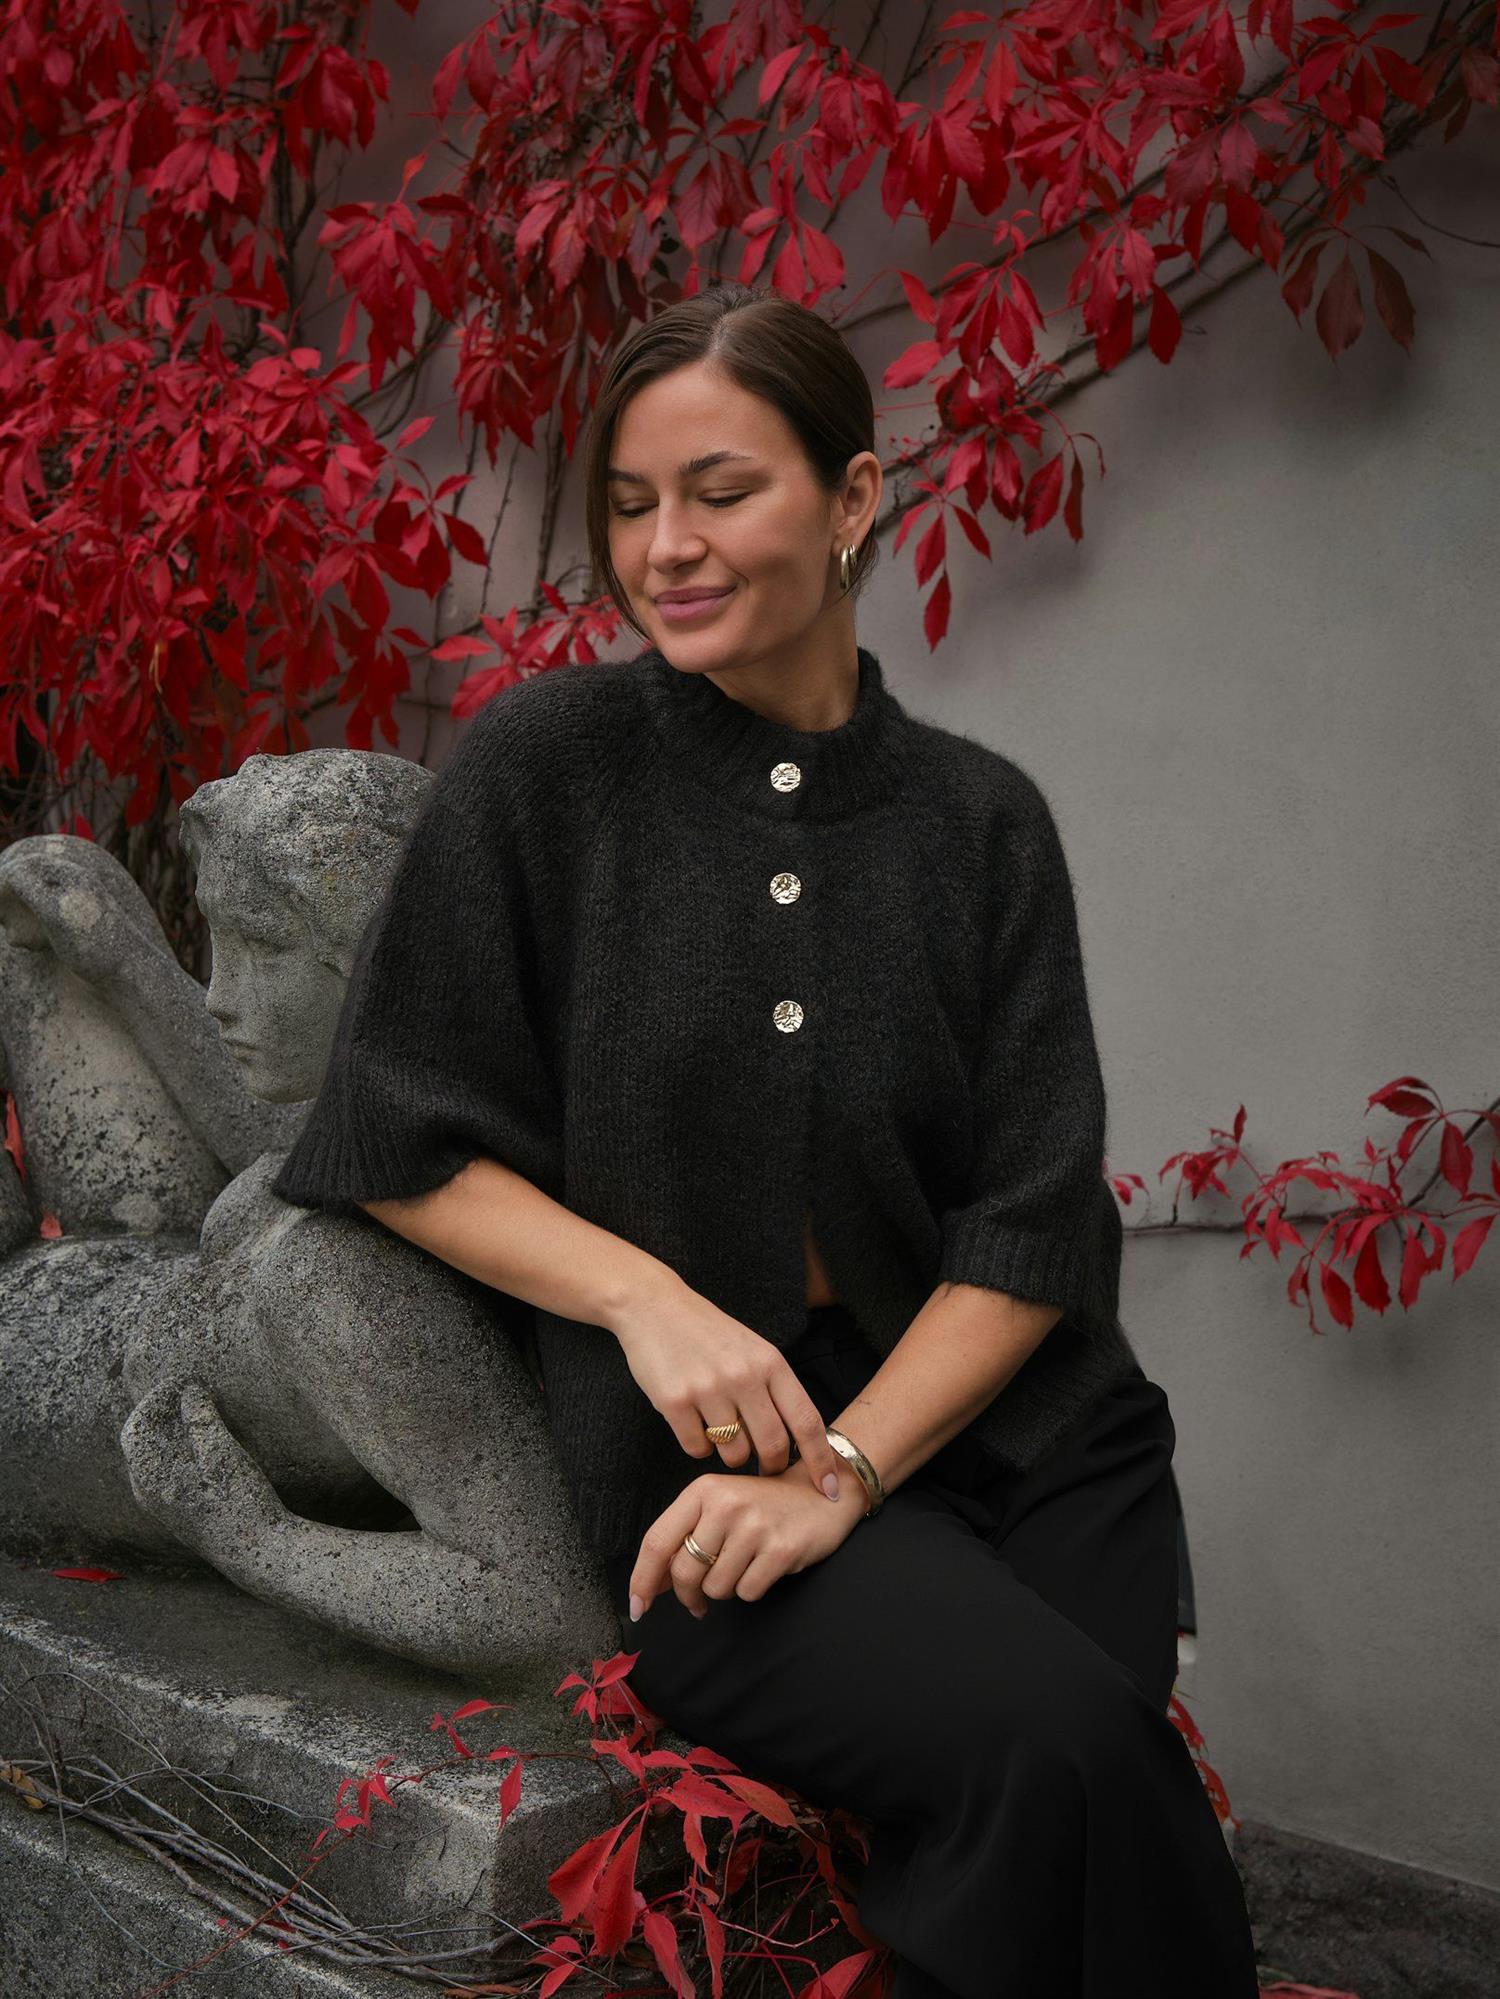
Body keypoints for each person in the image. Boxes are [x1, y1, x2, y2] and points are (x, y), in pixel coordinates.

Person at [272, 281, 1261, 1997]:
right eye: (631, 504)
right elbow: (391, 1131)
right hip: (701, 1471)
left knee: (1077, 1788)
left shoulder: (982, 824)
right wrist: (648, 1301)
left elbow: (1031, 1226)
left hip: (1030, 1430)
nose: (665, 547)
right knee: (1065, 1761)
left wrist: (844, 1476)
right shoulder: (549, 769)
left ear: (854, 497)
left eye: (720, 491)